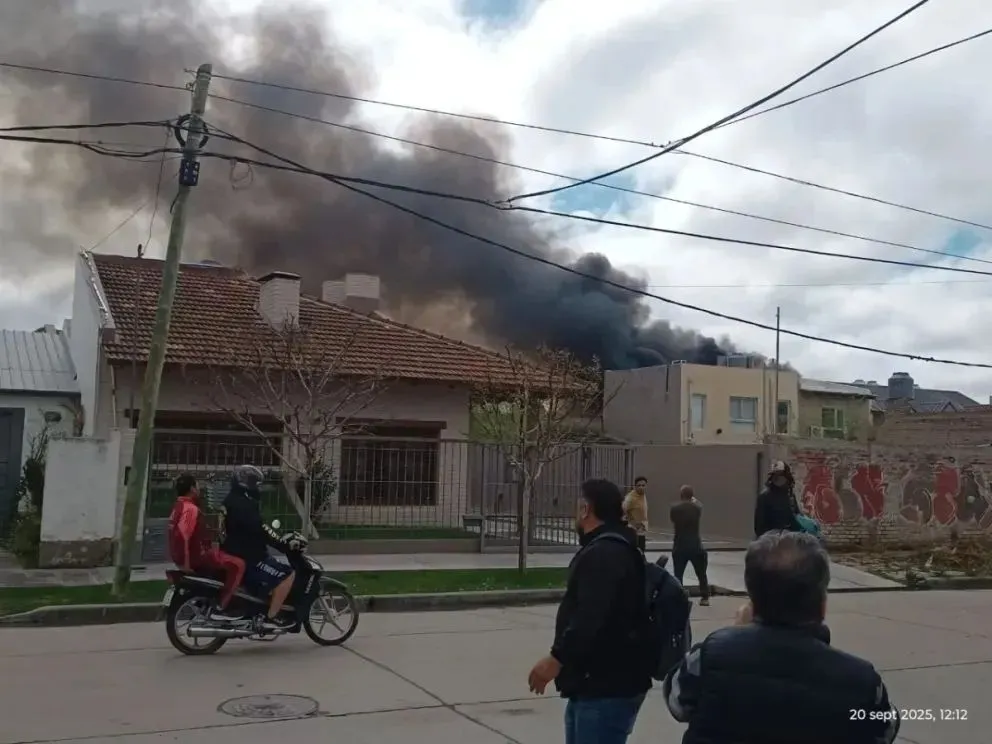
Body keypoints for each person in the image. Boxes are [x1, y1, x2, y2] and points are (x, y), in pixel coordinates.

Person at [663, 531, 900, 744]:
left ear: (752, 603)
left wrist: (735, 634)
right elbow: (885, 730)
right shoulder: (863, 681)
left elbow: (677, 703)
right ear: (822, 604)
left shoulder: (709, 657)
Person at [528, 478, 652, 744]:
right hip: (595, 683)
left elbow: (590, 617)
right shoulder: (615, 547)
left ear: (585, 509)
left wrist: (556, 659)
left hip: (606, 686)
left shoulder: (604, 553)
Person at [220, 464, 297, 632]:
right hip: (250, 557)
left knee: (270, 573)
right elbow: (261, 530)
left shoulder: (231, 500)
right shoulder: (244, 505)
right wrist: (283, 545)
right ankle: (271, 617)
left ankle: (258, 610)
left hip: (234, 551)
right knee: (287, 574)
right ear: (246, 484)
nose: (257, 488)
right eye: (254, 483)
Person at [167, 473, 244, 619]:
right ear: (192, 488)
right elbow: (184, 536)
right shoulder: (190, 508)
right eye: (197, 485)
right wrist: (186, 565)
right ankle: (223, 606)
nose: (199, 488)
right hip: (198, 557)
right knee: (238, 564)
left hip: (183, 557)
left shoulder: (178, 506)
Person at [669, 484, 710, 606]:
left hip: (680, 545)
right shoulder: (697, 508)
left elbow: (673, 520)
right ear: (692, 495)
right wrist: (693, 499)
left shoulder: (674, 508)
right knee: (701, 573)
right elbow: (699, 505)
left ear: (681, 495)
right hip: (695, 545)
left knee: (678, 573)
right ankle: (705, 597)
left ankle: (679, 597)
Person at [754, 460, 803, 538]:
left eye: (780, 475)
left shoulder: (790, 495)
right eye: (775, 475)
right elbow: (759, 526)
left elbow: (796, 517)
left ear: (787, 477)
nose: (777, 478)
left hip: (789, 540)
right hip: (770, 541)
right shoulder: (764, 496)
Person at [623, 476, 649, 553]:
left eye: (643, 485)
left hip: (642, 530)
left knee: (641, 552)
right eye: (639, 485)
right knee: (635, 553)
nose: (641, 487)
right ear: (635, 486)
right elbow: (622, 511)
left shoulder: (643, 495)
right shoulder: (630, 498)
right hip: (633, 532)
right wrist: (633, 522)